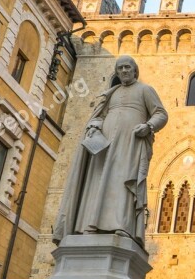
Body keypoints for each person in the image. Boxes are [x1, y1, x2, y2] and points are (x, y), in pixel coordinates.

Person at [53, 55, 168, 247]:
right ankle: (90, 223)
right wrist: (94, 127)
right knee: (98, 182)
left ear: (135, 71)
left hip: (129, 144)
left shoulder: (145, 90)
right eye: (120, 68)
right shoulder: (111, 94)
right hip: (104, 147)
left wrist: (148, 126)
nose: (123, 71)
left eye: (127, 68)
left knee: (123, 181)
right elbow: (99, 116)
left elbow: (161, 114)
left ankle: (121, 225)